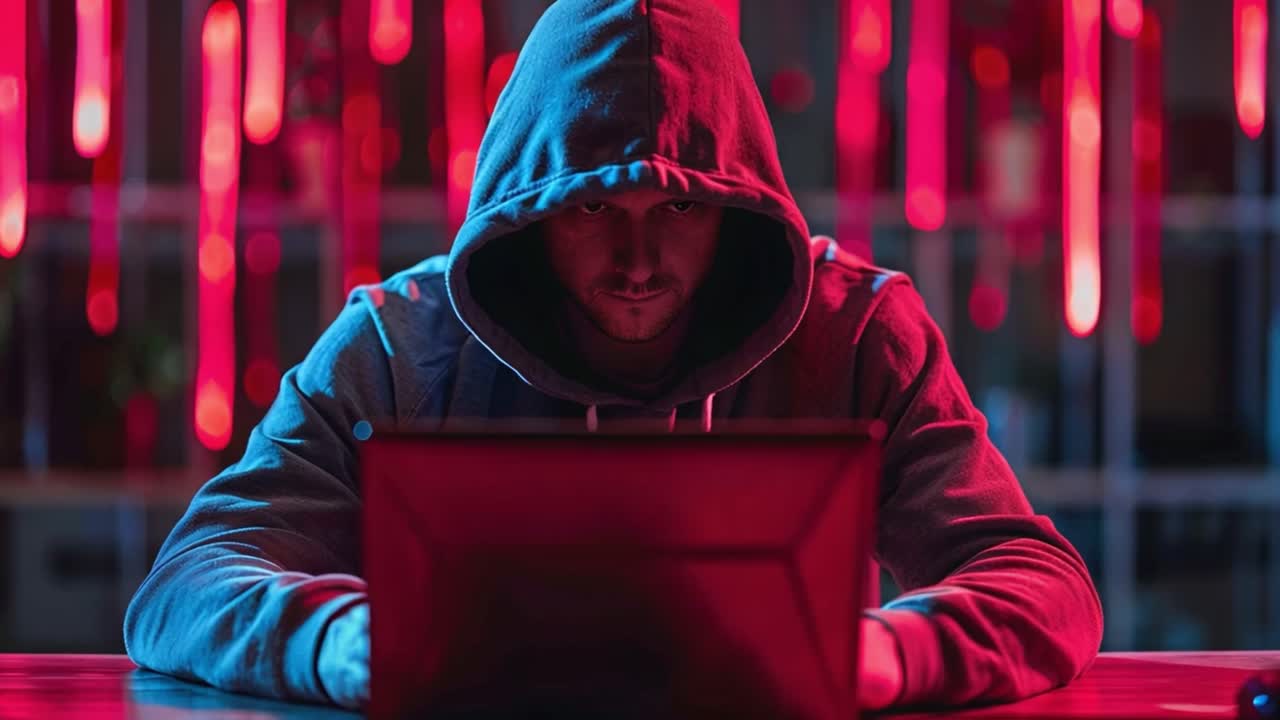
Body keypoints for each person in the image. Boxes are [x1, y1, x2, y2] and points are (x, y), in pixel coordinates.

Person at [124, 0, 1103, 711]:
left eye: (679, 208)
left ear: (735, 209)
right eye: (591, 209)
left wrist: (879, 655)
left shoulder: (853, 331)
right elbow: (187, 582)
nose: (637, 262)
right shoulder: (398, 342)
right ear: (528, 214)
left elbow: (1038, 581)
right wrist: (347, 642)